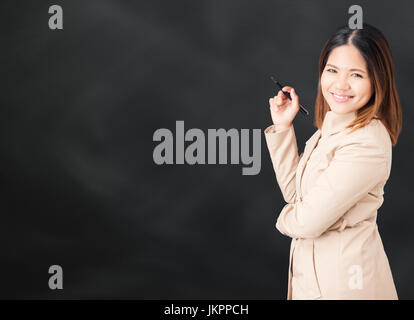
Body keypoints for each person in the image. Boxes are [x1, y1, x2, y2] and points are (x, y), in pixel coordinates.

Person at [265, 23, 402, 300]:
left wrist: (283, 219)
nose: (340, 84)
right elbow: (296, 193)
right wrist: (282, 127)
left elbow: (307, 223)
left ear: (378, 81)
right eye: (332, 70)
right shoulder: (333, 127)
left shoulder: (368, 142)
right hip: (314, 284)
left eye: (356, 74)